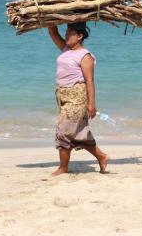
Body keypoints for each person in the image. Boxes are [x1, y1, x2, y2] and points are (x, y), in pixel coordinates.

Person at [47, 22, 109, 176]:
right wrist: (51, 19)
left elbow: (89, 81)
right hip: (62, 96)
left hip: (77, 96)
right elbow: (54, 33)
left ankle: (63, 168)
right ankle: (102, 156)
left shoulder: (85, 55)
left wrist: (92, 104)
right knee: (77, 132)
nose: (66, 35)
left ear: (80, 36)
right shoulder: (66, 49)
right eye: (66, 32)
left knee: (63, 130)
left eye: (70, 33)